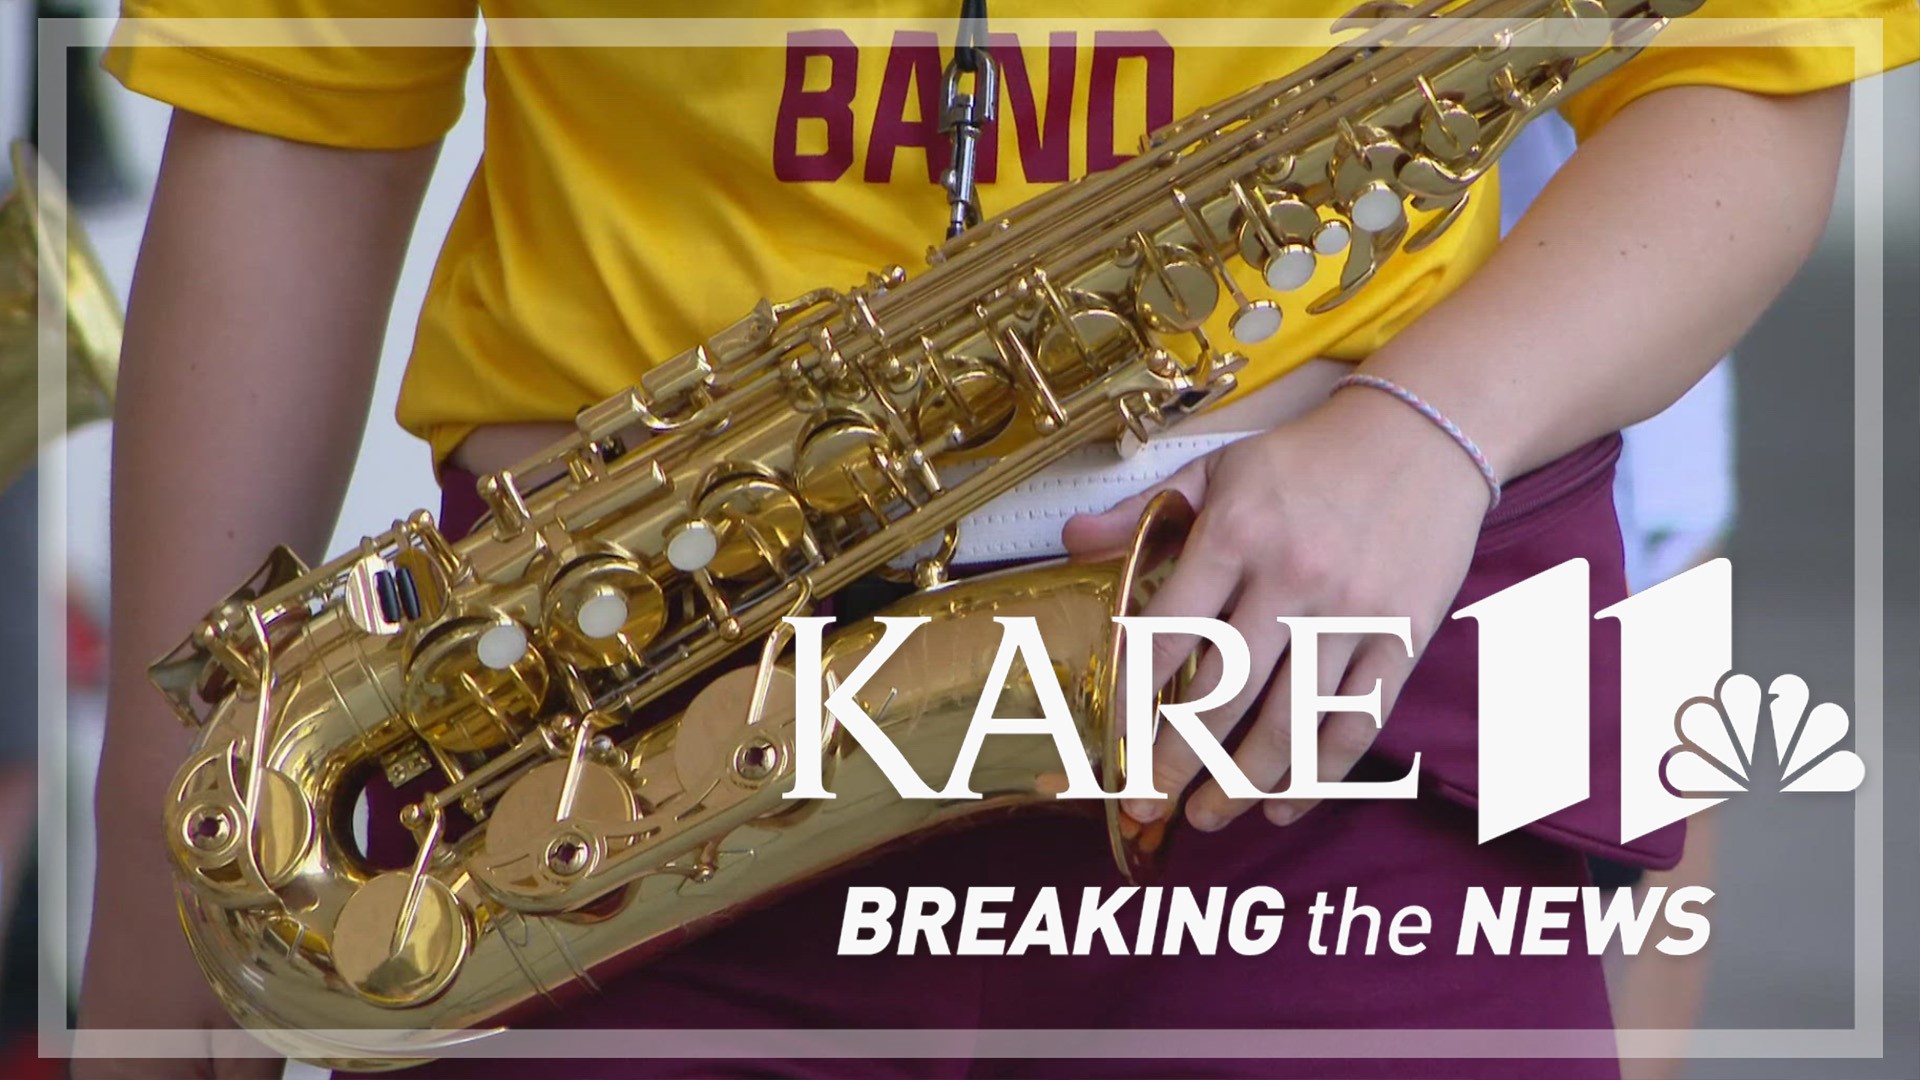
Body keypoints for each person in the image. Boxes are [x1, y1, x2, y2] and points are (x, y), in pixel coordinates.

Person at [79, 3, 1915, 1079]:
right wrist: (168, 919)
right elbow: (293, 122)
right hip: (603, 719)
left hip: (1305, 688)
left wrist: (1431, 433)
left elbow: (1743, 71)